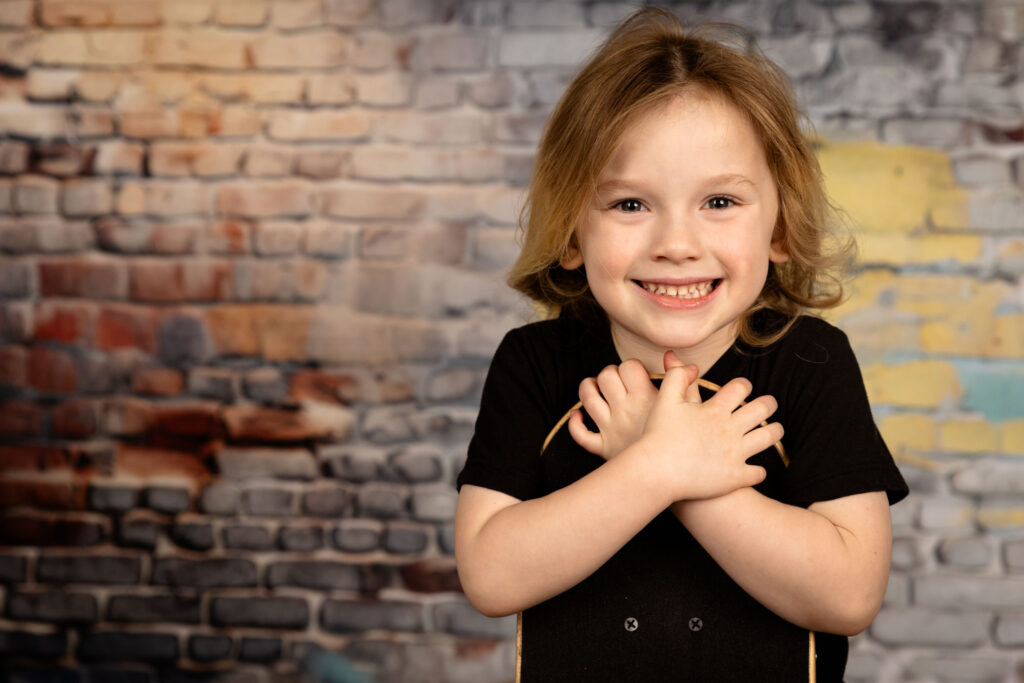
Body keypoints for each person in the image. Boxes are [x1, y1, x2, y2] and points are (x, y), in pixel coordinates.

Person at [454, 7, 908, 682]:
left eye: (719, 202)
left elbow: (847, 594)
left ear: (778, 230)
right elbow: (491, 575)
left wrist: (680, 471)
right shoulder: (534, 363)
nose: (676, 244)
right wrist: (652, 469)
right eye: (630, 205)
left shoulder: (813, 361)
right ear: (573, 233)